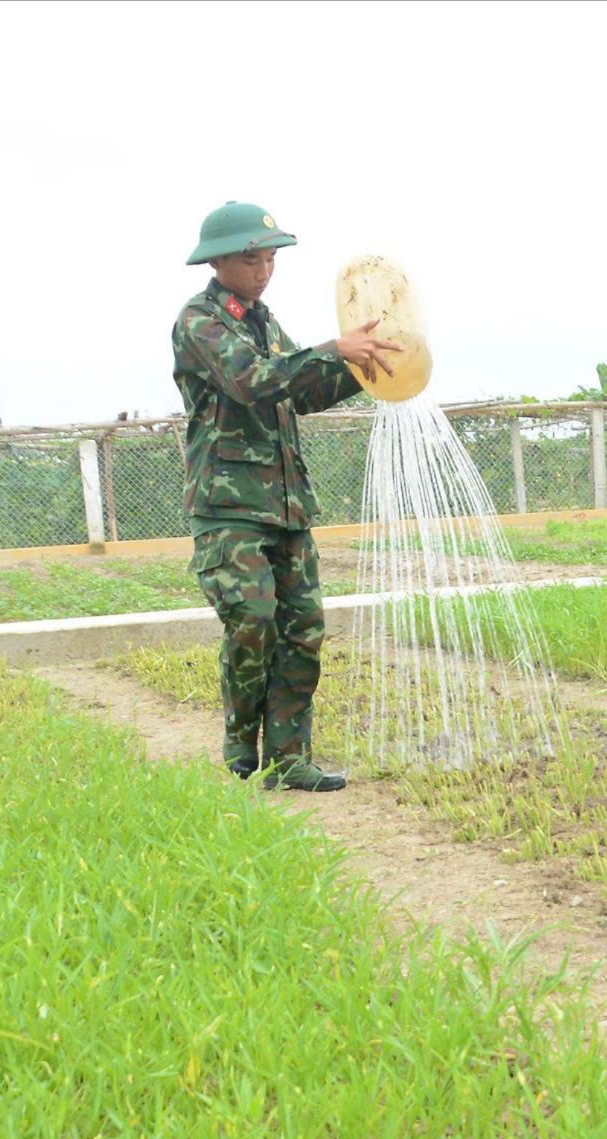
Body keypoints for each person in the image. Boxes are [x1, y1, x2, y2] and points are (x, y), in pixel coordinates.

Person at [171, 199, 402, 791]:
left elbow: (301, 393)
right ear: (219, 261)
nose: (264, 270)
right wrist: (333, 349)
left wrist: (362, 368)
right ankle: (240, 742)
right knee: (252, 621)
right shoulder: (199, 322)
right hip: (228, 508)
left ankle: (288, 757)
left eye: (270, 259)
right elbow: (251, 381)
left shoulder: (265, 323)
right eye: (252, 259)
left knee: (303, 628)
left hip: (287, 505)